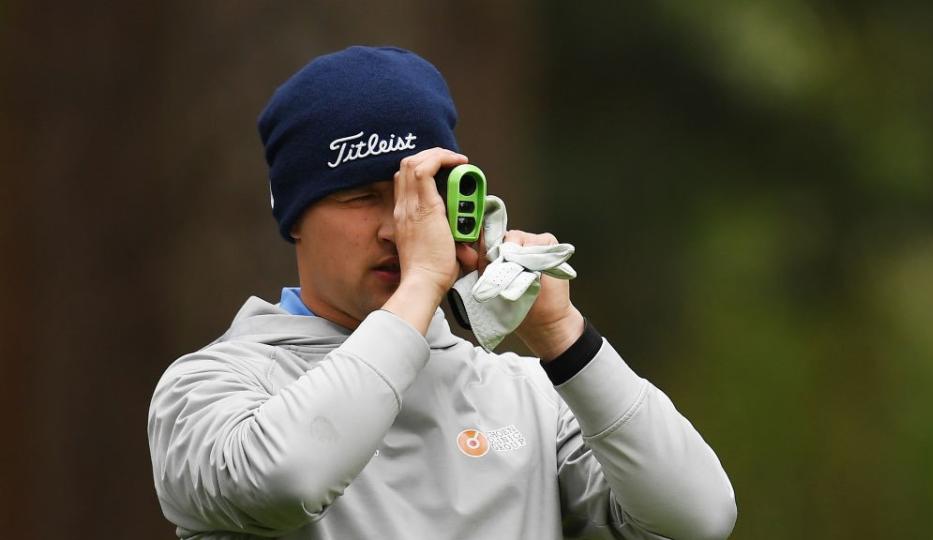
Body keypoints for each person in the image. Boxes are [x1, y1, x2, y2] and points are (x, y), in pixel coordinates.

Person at [147, 45, 737, 540]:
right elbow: (287, 479)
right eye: (361, 197)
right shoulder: (207, 388)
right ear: (295, 217)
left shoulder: (527, 396)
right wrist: (424, 283)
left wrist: (562, 337)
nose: (395, 227)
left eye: (416, 200)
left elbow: (697, 517)